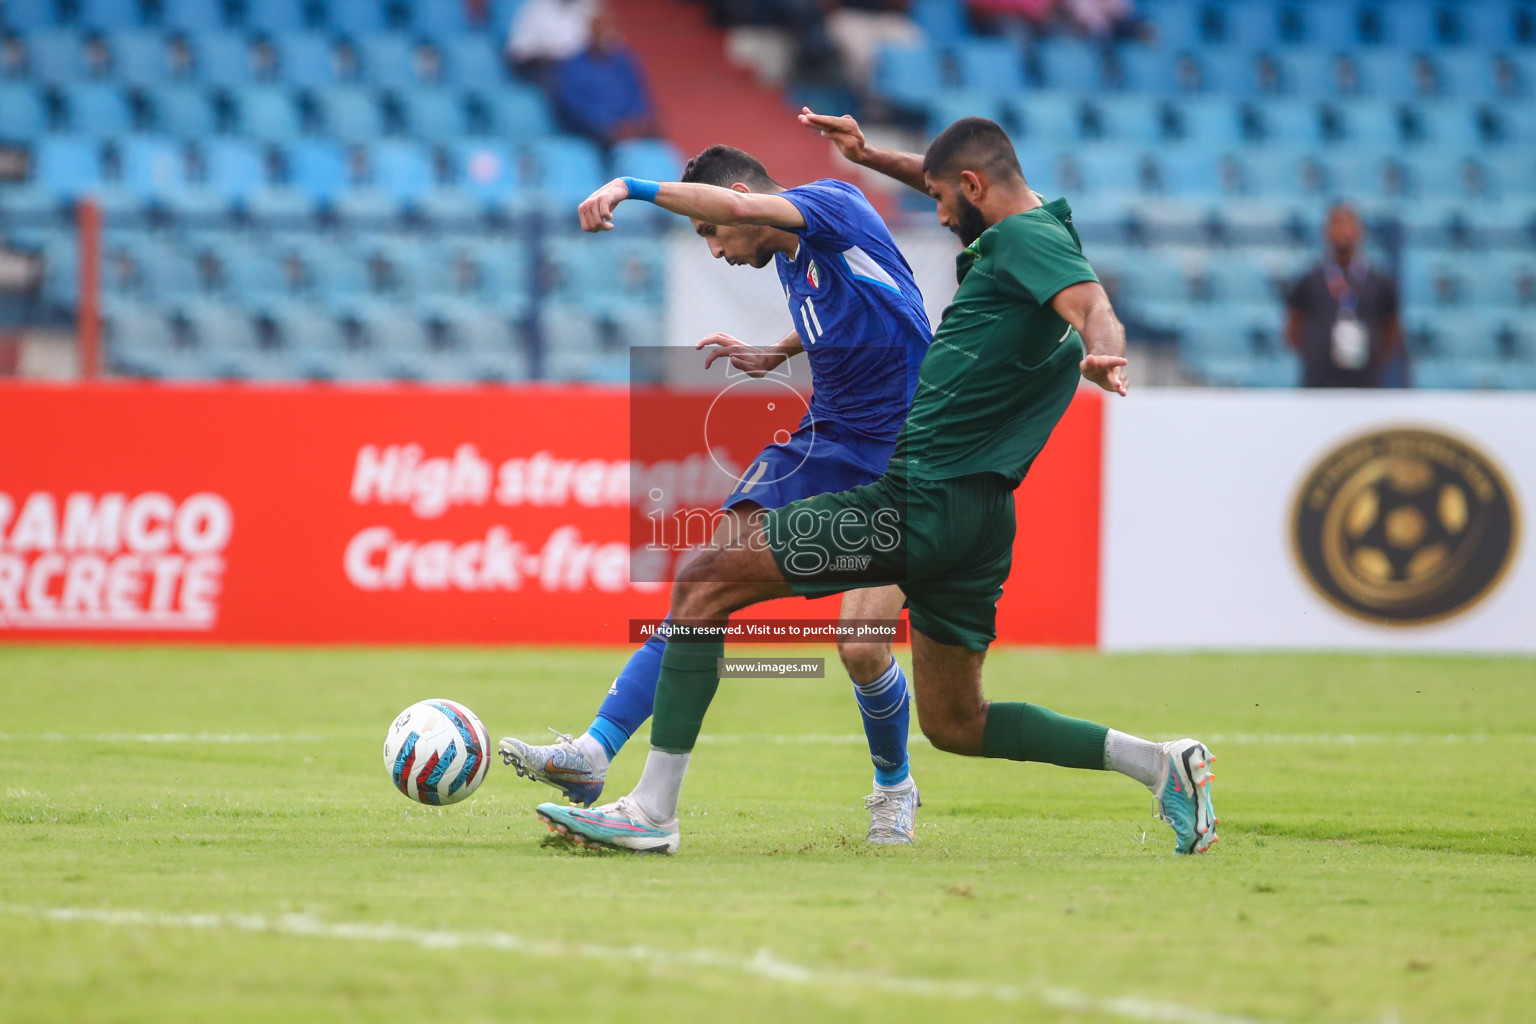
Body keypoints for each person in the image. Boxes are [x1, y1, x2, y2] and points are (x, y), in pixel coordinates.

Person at [535, 113, 1219, 857]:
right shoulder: (1017, 233)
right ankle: (1159, 763)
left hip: (911, 480)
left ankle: (673, 809)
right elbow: (938, 223)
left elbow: (1092, 305)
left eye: (945, 200)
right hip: (950, 498)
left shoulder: (927, 224)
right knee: (954, 721)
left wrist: (628, 184)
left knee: (754, 603)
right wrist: (784, 345)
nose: (940, 216)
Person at [500, 143, 935, 844]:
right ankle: (596, 754)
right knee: (703, 577)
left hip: (906, 459)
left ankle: (894, 788)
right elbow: (856, 307)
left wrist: (630, 186)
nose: (714, 249)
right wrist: (781, 352)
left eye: (710, 233)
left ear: (741, 196)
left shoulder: (833, 204)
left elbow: (736, 208)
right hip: (826, 444)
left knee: (860, 646)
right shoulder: (797, 256)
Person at [1286, 204, 1405, 388]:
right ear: (1326, 231)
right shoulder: (1309, 281)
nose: (1343, 231)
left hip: (1366, 382)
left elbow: (1392, 330)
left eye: (1348, 224)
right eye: (1337, 224)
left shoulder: (1380, 282)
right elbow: (1293, 329)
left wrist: (1373, 354)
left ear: (1361, 231)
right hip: (1319, 382)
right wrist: (1316, 351)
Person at [548, 14, 659, 148]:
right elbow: (572, 104)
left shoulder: (623, 61)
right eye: (599, 31)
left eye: (608, 31)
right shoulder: (573, 65)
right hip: (593, 129)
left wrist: (635, 121)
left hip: (628, 126)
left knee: (654, 134)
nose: (604, 36)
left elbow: (637, 93)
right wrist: (610, 124)